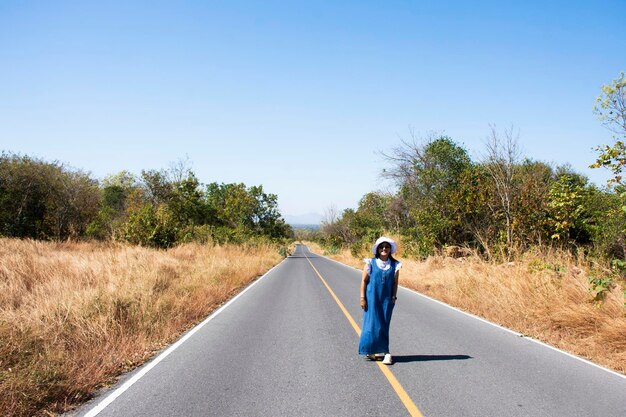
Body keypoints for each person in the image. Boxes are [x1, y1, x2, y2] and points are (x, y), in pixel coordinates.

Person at [358, 236, 401, 365]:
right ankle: (370, 350)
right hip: (371, 299)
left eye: (387, 247)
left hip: (387, 300)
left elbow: (395, 283)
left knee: (384, 325)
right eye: (381, 247)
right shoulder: (370, 263)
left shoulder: (395, 265)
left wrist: (393, 297)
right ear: (377, 249)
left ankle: (386, 353)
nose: (384, 249)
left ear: (390, 249)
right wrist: (362, 298)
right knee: (370, 325)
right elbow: (364, 281)